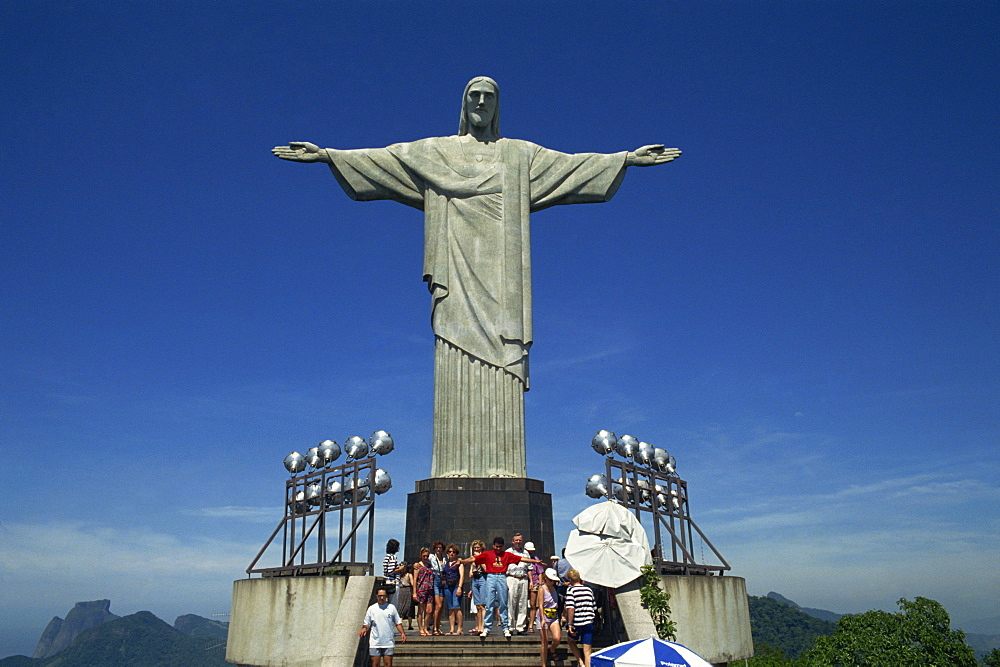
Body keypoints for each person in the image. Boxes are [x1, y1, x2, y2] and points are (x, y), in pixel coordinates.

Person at [272, 77, 680, 480]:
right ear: (464, 103)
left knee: (504, 356)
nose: (481, 102)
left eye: (489, 96)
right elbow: (386, 160)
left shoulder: (519, 155)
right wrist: (328, 155)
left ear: (497, 106)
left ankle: (506, 467)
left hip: (503, 276)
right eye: (474, 95)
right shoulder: (438, 152)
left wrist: (624, 158)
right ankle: (452, 466)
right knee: (453, 348)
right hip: (456, 268)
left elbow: (571, 166)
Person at [460, 536, 543, 638]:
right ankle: (487, 628)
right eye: (496, 546)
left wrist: (536, 562)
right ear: (493, 545)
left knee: (503, 603)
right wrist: (462, 562)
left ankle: (505, 628)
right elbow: (473, 558)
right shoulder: (487, 554)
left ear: (502, 546)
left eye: (500, 547)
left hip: (502, 576)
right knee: (489, 603)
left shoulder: (507, 555)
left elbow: (521, 559)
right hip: (491, 577)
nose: (498, 549)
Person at [358, 588, 406, 667]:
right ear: (376, 596)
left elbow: (398, 622)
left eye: (383, 596)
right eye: (380, 596)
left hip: (388, 642)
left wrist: (402, 633)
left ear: (386, 596)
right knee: (375, 664)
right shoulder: (372, 608)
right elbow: (367, 623)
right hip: (375, 642)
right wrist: (364, 628)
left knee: (388, 664)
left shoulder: (391, 608)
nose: (382, 598)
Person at [564, 569, 596, 667]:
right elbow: (594, 606)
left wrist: (569, 624)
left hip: (577, 623)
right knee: (587, 650)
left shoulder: (571, 590)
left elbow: (570, 608)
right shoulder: (589, 590)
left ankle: (580, 662)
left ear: (570, 580)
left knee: (571, 641)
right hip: (589, 622)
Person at [535, 568, 562, 667]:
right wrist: (542, 619)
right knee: (544, 641)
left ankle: (552, 649)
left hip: (553, 615)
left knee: (557, 638)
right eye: (550, 580)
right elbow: (540, 604)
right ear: (546, 578)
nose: (552, 582)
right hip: (544, 615)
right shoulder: (542, 588)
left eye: (553, 580)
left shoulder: (555, 588)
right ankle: (543, 664)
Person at [506, 533, 531, 634]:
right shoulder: (508, 552)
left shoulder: (526, 553)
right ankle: (510, 626)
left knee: (523, 603)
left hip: (523, 578)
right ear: (513, 541)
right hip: (512, 577)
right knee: (511, 602)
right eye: (516, 540)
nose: (518, 542)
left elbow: (529, 568)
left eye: (520, 540)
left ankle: (520, 626)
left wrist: (531, 581)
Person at [441, 544, 465, 634]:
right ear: (447, 553)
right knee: (450, 608)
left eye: (453, 552)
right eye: (450, 552)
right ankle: (451, 629)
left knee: (456, 607)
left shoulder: (459, 563)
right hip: (447, 586)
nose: (452, 553)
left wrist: (459, 587)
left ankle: (460, 628)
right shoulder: (445, 565)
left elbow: (462, 576)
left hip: (456, 585)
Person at [466, 539, 488, 635]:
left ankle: (483, 627)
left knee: (482, 605)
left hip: (483, 577)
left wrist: (478, 559)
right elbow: (471, 569)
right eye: (475, 548)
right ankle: (478, 626)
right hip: (475, 579)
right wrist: (471, 570)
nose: (476, 549)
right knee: (478, 605)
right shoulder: (473, 558)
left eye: (478, 547)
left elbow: (486, 569)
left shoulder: (484, 557)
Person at [413, 548, 436, 637]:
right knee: (421, 610)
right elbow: (415, 579)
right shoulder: (418, 566)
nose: (425, 557)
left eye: (427, 556)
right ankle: (421, 629)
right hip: (421, 590)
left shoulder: (430, 566)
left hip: (430, 589)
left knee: (429, 611)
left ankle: (426, 628)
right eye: (424, 556)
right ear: (421, 556)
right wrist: (414, 592)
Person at [427, 540, 447, 635]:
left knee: (441, 606)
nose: (438, 549)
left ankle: (438, 627)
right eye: (437, 548)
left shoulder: (445, 558)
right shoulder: (431, 557)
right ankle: (434, 628)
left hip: (442, 580)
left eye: (440, 548)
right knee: (438, 605)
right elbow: (423, 559)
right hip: (435, 579)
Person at [525, 541, 545, 635]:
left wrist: (540, 584)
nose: (530, 553)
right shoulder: (522, 559)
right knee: (522, 604)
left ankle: (531, 625)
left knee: (533, 604)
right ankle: (525, 621)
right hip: (524, 582)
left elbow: (540, 572)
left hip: (534, 583)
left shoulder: (535, 559)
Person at [382, 539, 405, 609]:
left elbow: (386, 571)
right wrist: (401, 568)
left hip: (388, 582)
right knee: (393, 606)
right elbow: (391, 571)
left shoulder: (387, 557)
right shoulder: (392, 557)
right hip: (394, 583)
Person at [397, 563, 414, 630]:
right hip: (408, 590)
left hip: (401, 591)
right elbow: (412, 583)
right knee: (409, 607)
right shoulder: (409, 575)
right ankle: (410, 625)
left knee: (401, 608)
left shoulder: (399, 576)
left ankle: (400, 625)